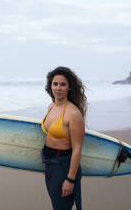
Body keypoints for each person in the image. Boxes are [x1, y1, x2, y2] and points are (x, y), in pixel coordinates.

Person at [41, 66, 87, 210]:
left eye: (63, 84)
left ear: (69, 88)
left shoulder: (73, 114)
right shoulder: (51, 107)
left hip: (63, 167)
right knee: (57, 206)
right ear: (50, 86)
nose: (58, 88)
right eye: (55, 84)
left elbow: (77, 149)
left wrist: (70, 179)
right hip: (49, 164)